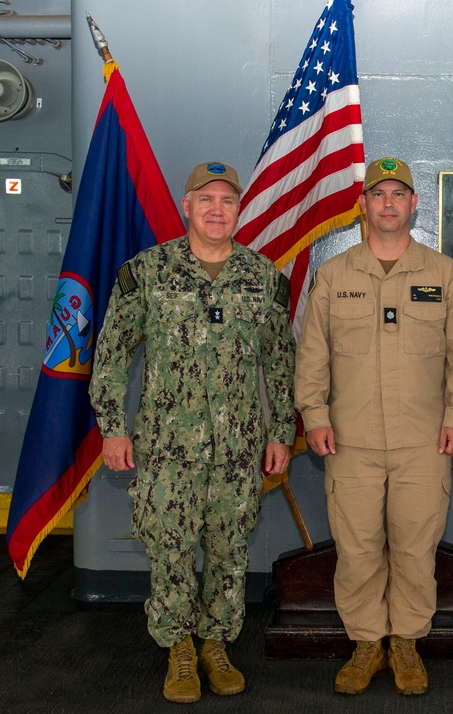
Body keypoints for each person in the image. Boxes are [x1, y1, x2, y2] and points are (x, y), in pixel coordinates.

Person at [89, 162, 296, 704]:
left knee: (229, 550)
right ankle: (178, 647)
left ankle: (216, 644)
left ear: (238, 209)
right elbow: (110, 354)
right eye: (206, 199)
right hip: (166, 448)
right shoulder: (147, 272)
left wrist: (281, 434)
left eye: (227, 200)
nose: (216, 209)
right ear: (186, 206)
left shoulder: (264, 278)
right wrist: (112, 428)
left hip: (238, 447)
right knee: (171, 547)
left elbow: (280, 364)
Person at [294, 157, 453, 696]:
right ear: (365, 205)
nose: (390, 203)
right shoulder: (334, 276)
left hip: (425, 442)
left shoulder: (443, 274)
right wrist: (315, 417)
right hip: (349, 442)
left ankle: (406, 642)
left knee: (417, 549)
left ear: (414, 203)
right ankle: (366, 642)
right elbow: (312, 358)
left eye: (400, 194)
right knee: (356, 548)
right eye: (379, 194)